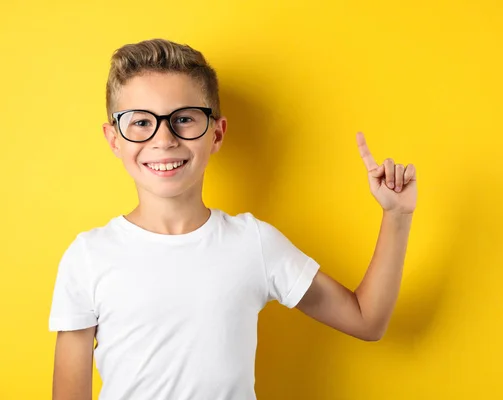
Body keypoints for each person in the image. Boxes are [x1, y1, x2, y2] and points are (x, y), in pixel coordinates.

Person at [49, 38, 417, 400]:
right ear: (114, 139)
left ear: (217, 133)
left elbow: (367, 320)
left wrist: (397, 215)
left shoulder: (253, 243)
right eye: (141, 122)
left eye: (184, 119)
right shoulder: (88, 257)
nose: (164, 139)